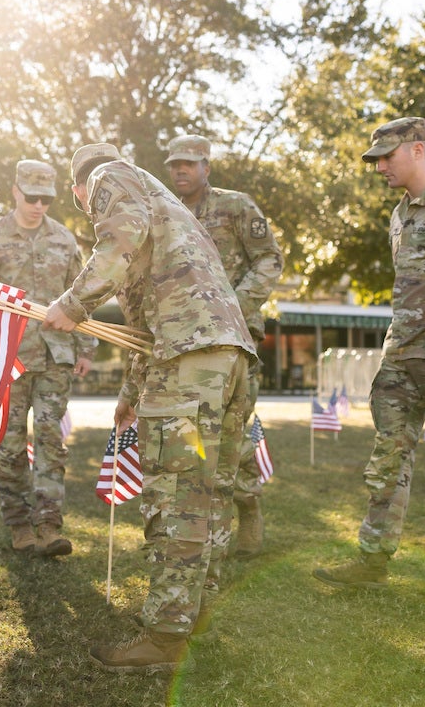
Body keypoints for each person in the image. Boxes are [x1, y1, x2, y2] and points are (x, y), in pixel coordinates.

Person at [42, 143, 255, 672]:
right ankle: (195, 610)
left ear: (77, 190)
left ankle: (164, 638)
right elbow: (144, 327)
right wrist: (130, 396)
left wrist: (71, 305)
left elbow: (117, 244)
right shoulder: (166, 204)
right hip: (226, 356)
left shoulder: (110, 179)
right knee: (208, 493)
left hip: (189, 361)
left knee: (179, 496)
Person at [311, 117, 425, 601]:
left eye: (387, 157)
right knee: (388, 458)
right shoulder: (401, 214)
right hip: (402, 358)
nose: (379, 168)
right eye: (375, 160)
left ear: (417, 150)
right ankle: (372, 561)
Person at [0, 159, 96, 557]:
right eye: (32, 197)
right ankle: (19, 522)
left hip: (55, 356)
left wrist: (87, 348)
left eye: (46, 199)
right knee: (7, 445)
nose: (39, 205)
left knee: (49, 439)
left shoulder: (64, 240)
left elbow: (83, 294)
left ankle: (48, 523)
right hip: (7, 358)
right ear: (15, 191)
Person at [165, 134, 283, 558]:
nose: (181, 170)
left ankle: (248, 506)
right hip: (185, 342)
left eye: (189, 163)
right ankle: (202, 530)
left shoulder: (236, 206)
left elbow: (270, 258)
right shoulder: (166, 213)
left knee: (231, 435)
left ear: (206, 168)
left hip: (235, 341)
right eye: (175, 164)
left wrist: (234, 304)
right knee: (192, 436)